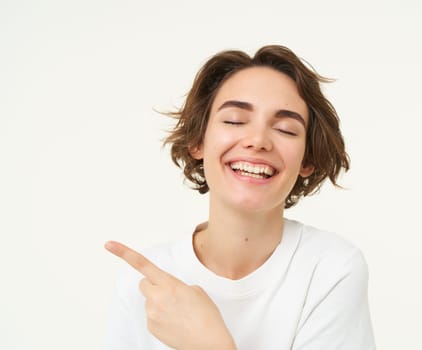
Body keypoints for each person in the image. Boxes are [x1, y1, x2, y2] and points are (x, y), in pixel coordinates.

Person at [105, 45, 376, 350]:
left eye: (286, 129)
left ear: (306, 161)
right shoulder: (146, 283)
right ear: (198, 141)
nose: (258, 141)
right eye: (234, 120)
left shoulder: (331, 268)